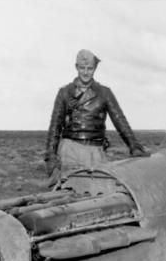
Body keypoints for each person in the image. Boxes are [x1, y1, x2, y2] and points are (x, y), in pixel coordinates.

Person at [44, 49, 148, 183]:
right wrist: (51, 157)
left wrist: (134, 146)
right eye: (82, 68)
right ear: (76, 67)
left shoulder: (105, 93)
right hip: (69, 151)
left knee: (99, 193)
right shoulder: (64, 93)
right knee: (68, 193)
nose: (86, 72)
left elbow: (119, 120)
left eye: (90, 68)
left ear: (95, 69)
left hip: (95, 153)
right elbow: (55, 127)